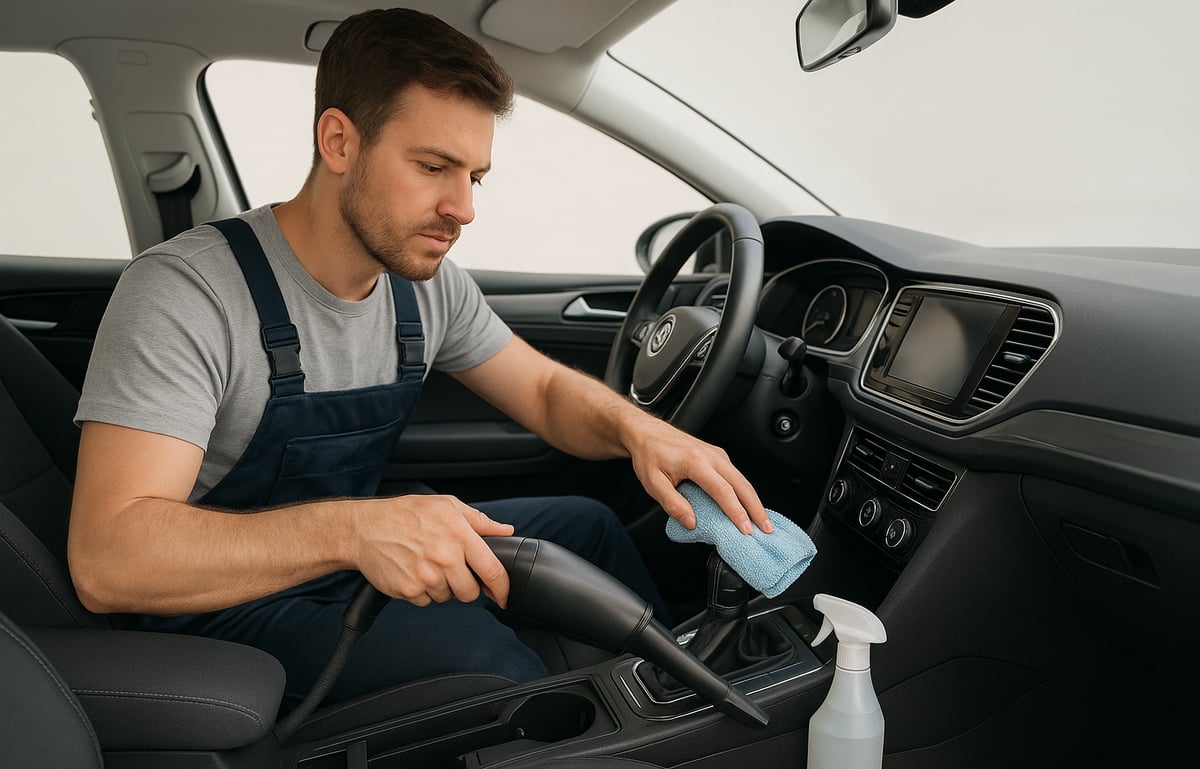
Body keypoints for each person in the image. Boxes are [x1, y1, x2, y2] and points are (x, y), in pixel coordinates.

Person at [68, 7, 772, 704]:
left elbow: (547, 394)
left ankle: (686, 706)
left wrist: (641, 431)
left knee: (588, 528)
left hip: (345, 557)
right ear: (340, 143)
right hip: (219, 607)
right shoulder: (188, 292)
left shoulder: (421, 289)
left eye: (475, 176)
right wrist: (357, 528)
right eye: (434, 167)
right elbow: (110, 559)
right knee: (487, 663)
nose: (463, 208)